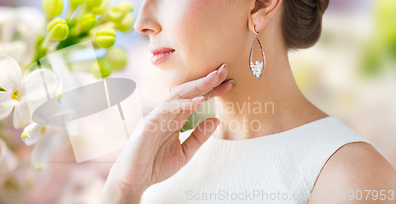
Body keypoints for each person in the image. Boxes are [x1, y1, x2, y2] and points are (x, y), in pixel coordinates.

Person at [101, 0, 396, 203]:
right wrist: (123, 190)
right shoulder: (156, 167)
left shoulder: (350, 177)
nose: (143, 22)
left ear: (260, 5)